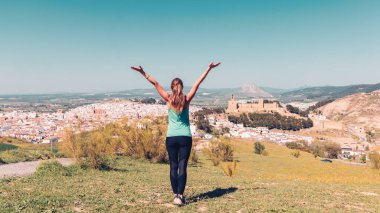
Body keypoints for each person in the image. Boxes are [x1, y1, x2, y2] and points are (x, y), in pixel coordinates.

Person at [131, 62, 221, 206]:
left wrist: (142, 72)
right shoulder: (186, 99)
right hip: (185, 137)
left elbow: (155, 84)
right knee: (182, 166)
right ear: (182, 87)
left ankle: (175, 196)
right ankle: (180, 196)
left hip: (171, 137)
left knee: (173, 166)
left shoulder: (168, 98)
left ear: (172, 88)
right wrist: (209, 68)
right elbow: (198, 83)